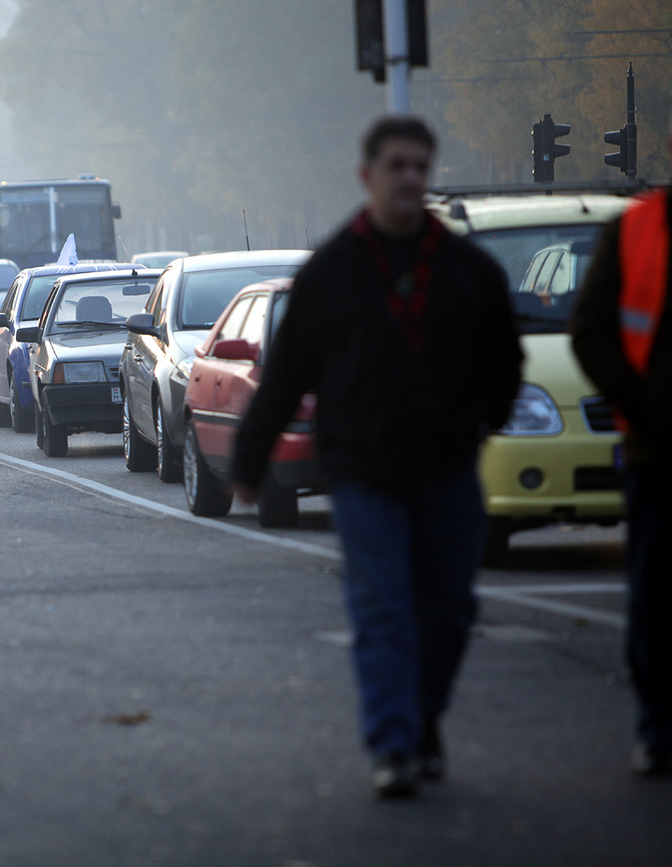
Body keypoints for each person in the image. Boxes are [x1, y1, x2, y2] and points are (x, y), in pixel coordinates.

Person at [229, 116, 523, 798]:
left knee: (448, 609)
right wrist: (249, 455)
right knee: (383, 606)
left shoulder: (466, 269)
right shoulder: (332, 273)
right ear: (368, 176)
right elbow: (286, 373)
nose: (411, 178)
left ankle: (422, 722)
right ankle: (392, 743)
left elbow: (503, 360)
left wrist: (483, 419)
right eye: (398, 165)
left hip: (447, 469)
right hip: (362, 474)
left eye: (421, 165)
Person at [571, 116, 672, 778]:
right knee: (656, 595)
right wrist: (639, 406)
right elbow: (593, 331)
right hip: (655, 453)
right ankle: (658, 726)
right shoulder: (633, 230)